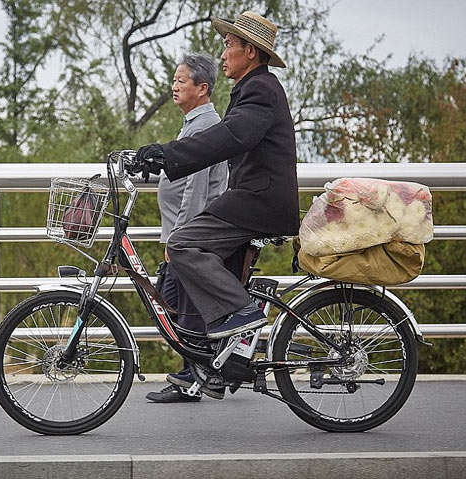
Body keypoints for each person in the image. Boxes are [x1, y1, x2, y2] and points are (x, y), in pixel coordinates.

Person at [132, 11, 300, 390]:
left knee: (183, 242)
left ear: (251, 52)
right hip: (253, 200)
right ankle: (222, 360)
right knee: (207, 261)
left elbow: (230, 138)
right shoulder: (253, 90)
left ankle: (240, 316)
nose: (223, 54)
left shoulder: (261, 90)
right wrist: (164, 156)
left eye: (229, 45)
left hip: (259, 202)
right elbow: (229, 137)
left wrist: (168, 154)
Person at [145, 53, 228, 404]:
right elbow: (182, 178)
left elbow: (195, 190)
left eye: (182, 81)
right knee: (178, 302)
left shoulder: (203, 126)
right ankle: (205, 371)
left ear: (202, 88)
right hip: (188, 234)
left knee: (180, 305)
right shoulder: (195, 123)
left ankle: (194, 375)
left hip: (190, 236)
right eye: (175, 80)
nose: (174, 86)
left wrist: (178, 239)